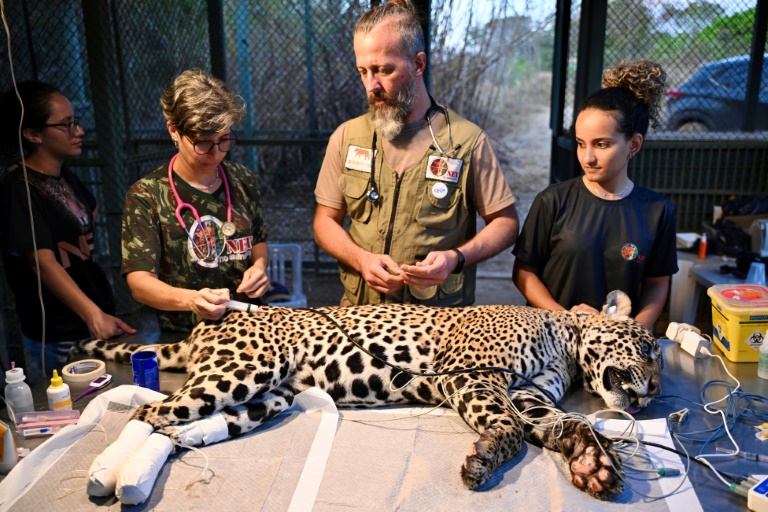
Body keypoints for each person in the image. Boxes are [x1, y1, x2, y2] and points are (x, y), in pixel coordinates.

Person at [313, 0, 519, 306]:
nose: (371, 85)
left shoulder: (467, 142)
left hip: (438, 318)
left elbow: (506, 223)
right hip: (362, 315)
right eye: (363, 71)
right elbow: (324, 222)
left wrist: (456, 257)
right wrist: (360, 259)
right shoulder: (347, 137)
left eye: (384, 70)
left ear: (418, 64)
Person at [512, 60, 678, 330]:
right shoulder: (552, 201)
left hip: (615, 343)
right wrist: (567, 319)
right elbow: (524, 273)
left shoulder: (657, 211)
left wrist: (631, 333)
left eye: (602, 144)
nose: (587, 157)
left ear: (634, 144)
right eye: (581, 144)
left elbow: (657, 285)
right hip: (551, 337)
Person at [0, 81, 135, 384]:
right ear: (33, 134)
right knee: (71, 402)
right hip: (59, 332)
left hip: (92, 318)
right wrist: (91, 313)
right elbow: (41, 262)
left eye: (76, 121)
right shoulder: (18, 187)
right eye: (66, 125)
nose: (79, 131)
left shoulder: (63, 174)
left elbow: (89, 213)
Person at [121, 69, 269, 332]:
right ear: (173, 130)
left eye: (224, 140)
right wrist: (191, 300)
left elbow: (258, 240)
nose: (216, 153)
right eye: (203, 143)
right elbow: (139, 283)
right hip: (187, 334)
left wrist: (259, 267)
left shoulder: (242, 179)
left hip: (249, 328)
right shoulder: (146, 195)